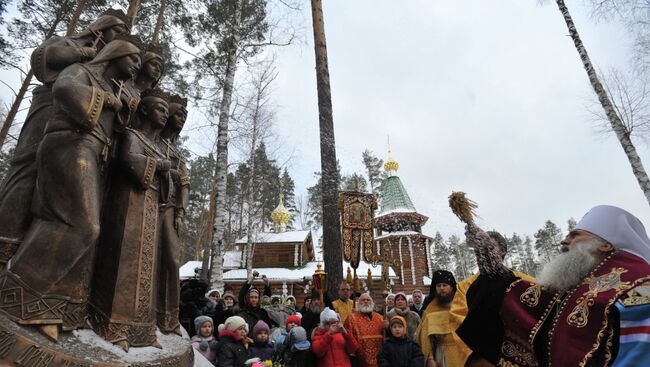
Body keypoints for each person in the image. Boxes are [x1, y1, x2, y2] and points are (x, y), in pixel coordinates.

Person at [0, 38, 142, 342]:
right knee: (83, 225)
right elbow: (64, 89)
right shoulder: (82, 70)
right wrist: (104, 99)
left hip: (88, 150)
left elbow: (113, 126)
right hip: (69, 144)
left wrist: (119, 108)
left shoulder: (104, 83)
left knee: (65, 223)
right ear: (117, 54)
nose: (134, 69)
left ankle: (42, 304)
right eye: (133, 61)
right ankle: (19, 289)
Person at [0, 10, 130, 268]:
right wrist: (85, 53)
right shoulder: (70, 43)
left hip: (81, 137)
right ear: (100, 28)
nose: (120, 38)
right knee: (27, 169)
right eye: (117, 30)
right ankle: (5, 241)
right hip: (50, 107)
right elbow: (43, 59)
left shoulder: (109, 72)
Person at [458, 205, 650, 366]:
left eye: (575, 235)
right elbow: (522, 302)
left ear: (605, 245)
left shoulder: (638, 287)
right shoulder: (581, 283)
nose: (564, 240)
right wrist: (487, 258)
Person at [89, 87, 171, 350]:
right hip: (128, 204)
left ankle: (143, 331)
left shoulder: (159, 146)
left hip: (150, 209)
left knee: (147, 267)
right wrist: (158, 166)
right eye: (160, 109)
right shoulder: (132, 135)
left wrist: (167, 171)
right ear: (144, 110)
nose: (165, 115)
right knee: (125, 262)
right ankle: (115, 327)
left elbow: (165, 183)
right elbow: (127, 159)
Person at [450, 231, 533, 366]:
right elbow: (458, 319)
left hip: (520, 356)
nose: (484, 251)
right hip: (481, 358)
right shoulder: (465, 286)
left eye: (490, 247)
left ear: (503, 251)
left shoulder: (525, 282)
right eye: (480, 248)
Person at [154, 92, 189, 335]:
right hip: (144, 204)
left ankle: (168, 317)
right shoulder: (150, 141)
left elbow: (184, 184)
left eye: (184, 116)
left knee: (172, 259)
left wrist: (180, 211)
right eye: (178, 114)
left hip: (167, 208)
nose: (182, 119)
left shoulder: (176, 154)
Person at [416, 270, 472, 367]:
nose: (441, 288)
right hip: (442, 354)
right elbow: (425, 339)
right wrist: (430, 358)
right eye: (439, 285)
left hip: (463, 353)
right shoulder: (430, 309)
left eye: (445, 285)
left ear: (451, 287)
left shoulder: (462, 304)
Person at [344, 292, 385, 367]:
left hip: (380, 361)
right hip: (359, 361)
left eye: (368, 300)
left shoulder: (381, 318)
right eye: (363, 300)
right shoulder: (351, 319)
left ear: (372, 303)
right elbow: (348, 341)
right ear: (358, 303)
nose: (365, 301)